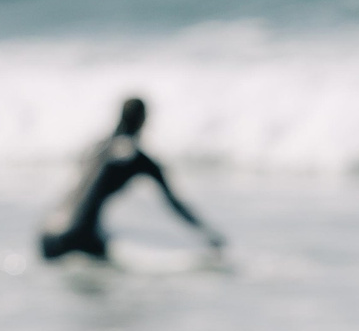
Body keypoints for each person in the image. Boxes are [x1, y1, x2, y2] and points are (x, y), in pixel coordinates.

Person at [39, 97, 223, 262]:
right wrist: (207, 232)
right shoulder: (137, 158)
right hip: (79, 238)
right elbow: (174, 203)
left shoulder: (94, 148)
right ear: (143, 120)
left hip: (48, 232)